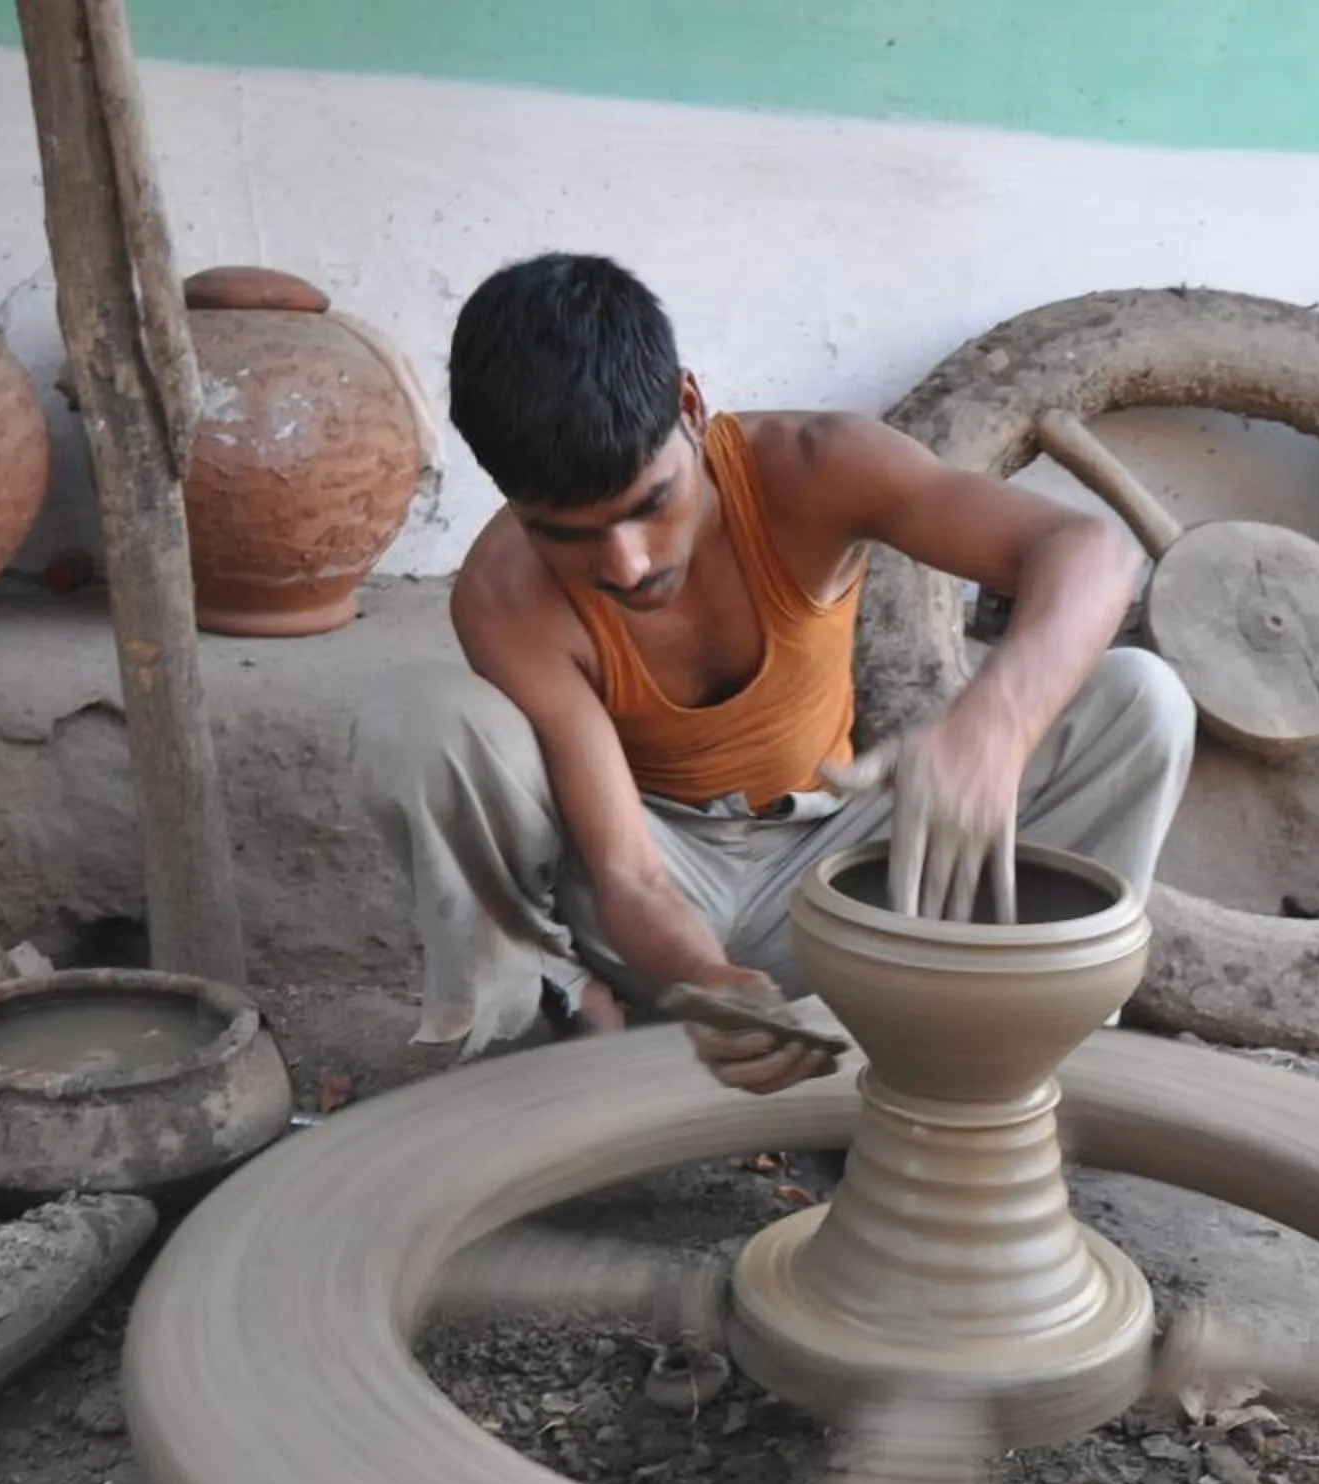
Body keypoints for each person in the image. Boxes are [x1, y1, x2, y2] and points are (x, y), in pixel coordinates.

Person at [350, 253, 1194, 1093]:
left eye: (651, 503)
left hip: (844, 874)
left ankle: (992, 1066)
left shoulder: (815, 468)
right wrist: (710, 986)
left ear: (690, 405)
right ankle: (559, 1030)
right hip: (651, 893)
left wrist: (995, 726)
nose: (629, 563)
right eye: (568, 535)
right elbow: (629, 875)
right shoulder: (505, 594)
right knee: (423, 722)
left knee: (1141, 702)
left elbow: (1091, 551)